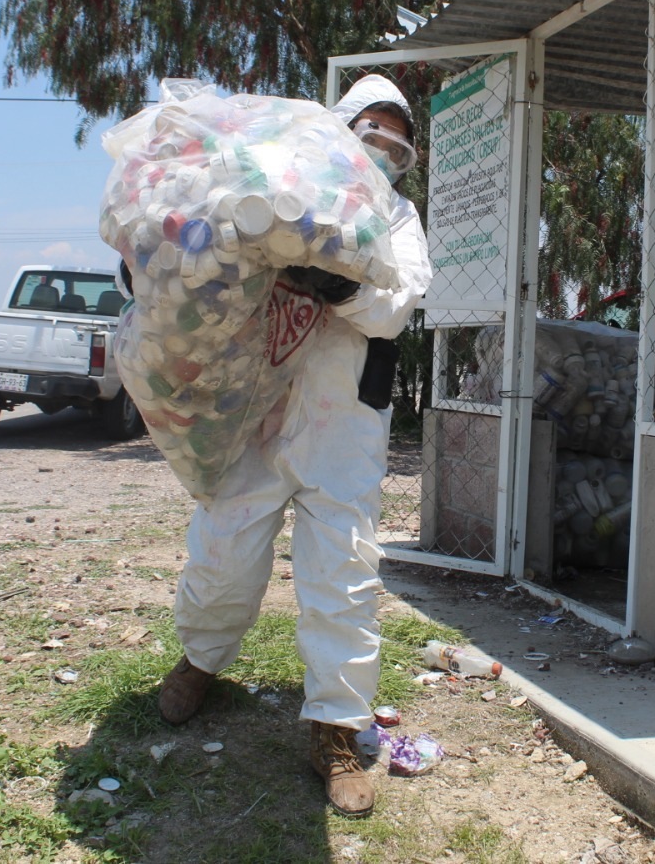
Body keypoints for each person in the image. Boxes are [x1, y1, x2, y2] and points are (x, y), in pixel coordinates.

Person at [155, 75, 432, 818]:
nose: (378, 159)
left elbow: (398, 305)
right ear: (336, 137)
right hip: (258, 411)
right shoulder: (277, 188)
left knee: (342, 572)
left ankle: (336, 729)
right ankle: (201, 660)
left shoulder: (398, 218)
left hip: (343, 425)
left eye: (394, 148)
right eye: (366, 139)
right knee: (222, 551)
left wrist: (336, 284)